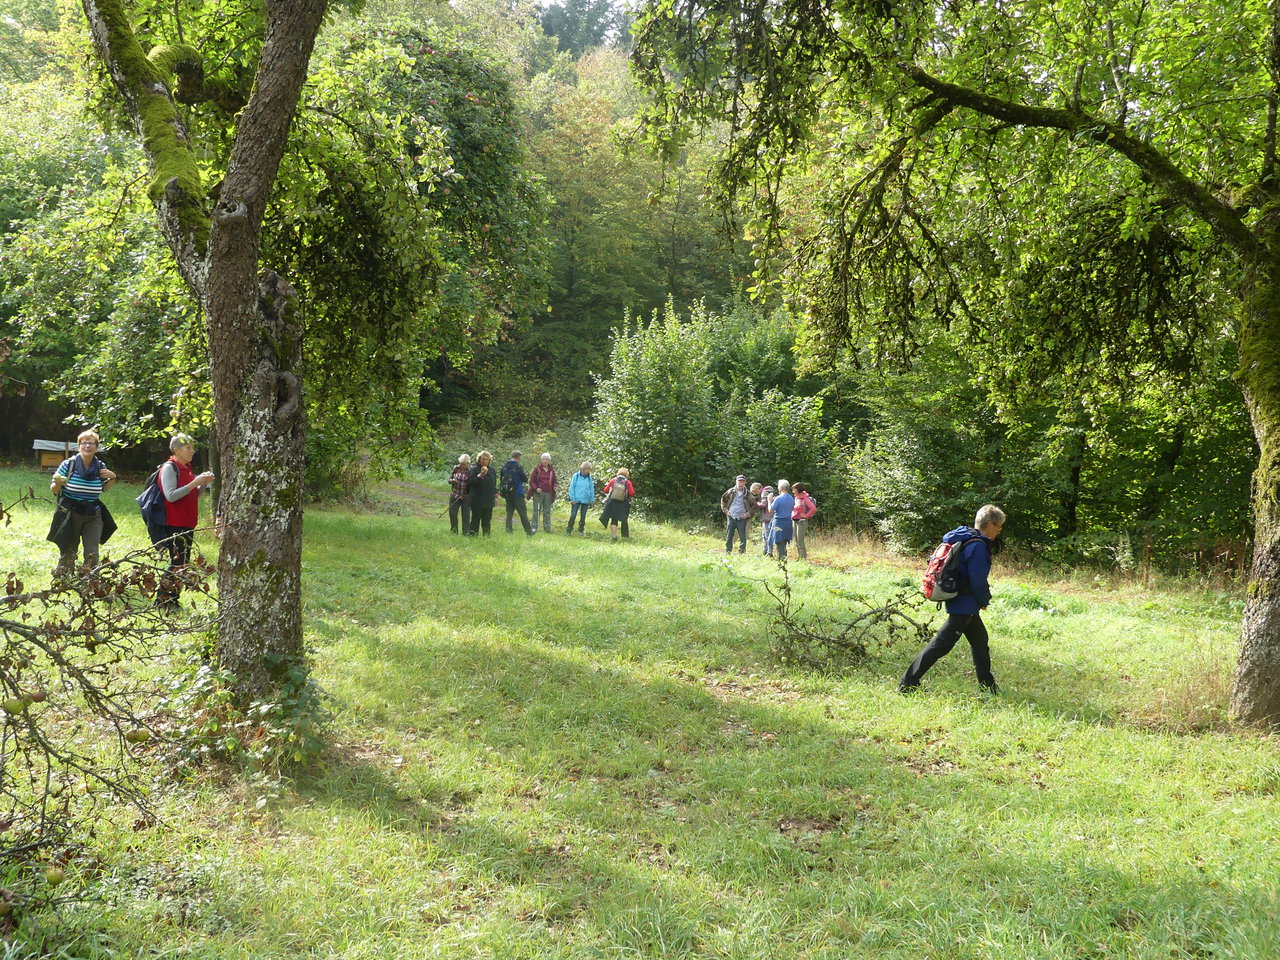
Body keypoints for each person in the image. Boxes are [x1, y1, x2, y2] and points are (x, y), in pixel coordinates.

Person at [899, 504, 1006, 695]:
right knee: (940, 646)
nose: (999, 530)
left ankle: (988, 687)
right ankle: (908, 683)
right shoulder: (978, 546)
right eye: (998, 526)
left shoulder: (965, 538)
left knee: (980, 641)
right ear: (990, 524)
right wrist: (984, 600)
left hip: (961, 601)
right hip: (964, 605)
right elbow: (977, 580)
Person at [154, 434, 216, 609]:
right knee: (177, 562)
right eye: (188, 447)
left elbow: (192, 494)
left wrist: (203, 483)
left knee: (182, 562)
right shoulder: (169, 467)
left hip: (187, 523)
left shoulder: (186, 468)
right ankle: (162, 600)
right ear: (176, 450)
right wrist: (194, 482)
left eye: (192, 447)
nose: (193, 451)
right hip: (174, 523)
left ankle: (172, 599)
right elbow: (171, 496)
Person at [48, 429, 118, 573]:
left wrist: (113, 478)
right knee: (69, 548)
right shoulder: (69, 465)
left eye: (91, 443)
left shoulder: (100, 466)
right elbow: (54, 490)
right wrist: (58, 483)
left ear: (96, 447)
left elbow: (104, 489)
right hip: (71, 513)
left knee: (92, 551)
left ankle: (89, 582)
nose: (87, 446)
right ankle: (62, 580)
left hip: (93, 513)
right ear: (79, 446)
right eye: (84, 443)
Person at [501, 451, 533, 535]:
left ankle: (508, 531)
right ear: (518, 457)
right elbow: (524, 478)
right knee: (522, 513)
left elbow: (501, 478)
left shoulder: (504, 466)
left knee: (509, 513)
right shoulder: (518, 466)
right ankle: (529, 532)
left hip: (507, 493)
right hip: (517, 493)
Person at [720, 474, 755, 554]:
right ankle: (728, 551)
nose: (741, 483)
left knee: (743, 537)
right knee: (729, 536)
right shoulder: (731, 491)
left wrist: (747, 514)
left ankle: (742, 552)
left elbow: (754, 505)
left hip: (742, 518)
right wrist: (726, 511)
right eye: (739, 481)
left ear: (745, 483)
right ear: (736, 482)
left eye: (742, 482)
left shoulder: (748, 494)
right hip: (731, 516)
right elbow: (723, 500)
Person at [599, 468, 634, 542]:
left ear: (618, 473)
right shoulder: (628, 482)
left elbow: (605, 490)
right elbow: (631, 493)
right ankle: (625, 536)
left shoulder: (613, 480)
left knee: (614, 520)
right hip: (623, 503)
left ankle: (614, 536)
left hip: (612, 502)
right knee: (624, 519)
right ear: (626, 475)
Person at [467, 451, 498, 536]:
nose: (484, 461)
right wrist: (481, 475)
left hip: (488, 500)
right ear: (479, 460)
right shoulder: (474, 469)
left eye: (486, 459)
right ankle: (473, 537)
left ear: (489, 461)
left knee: (487, 521)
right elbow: (471, 483)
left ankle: (486, 538)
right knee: (475, 520)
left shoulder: (492, 470)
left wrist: (495, 496)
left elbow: (493, 484)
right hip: (477, 500)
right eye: (483, 459)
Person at [527, 453, 557, 534]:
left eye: (547, 459)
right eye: (543, 459)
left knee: (547, 511)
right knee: (537, 510)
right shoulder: (536, 469)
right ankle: (534, 527)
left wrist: (555, 486)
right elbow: (531, 481)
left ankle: (547, 528)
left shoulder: (551, 470)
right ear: (541, 460)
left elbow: (555, 481)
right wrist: (536, 488)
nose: (545, 461)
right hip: (538, 493)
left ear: (549, 460)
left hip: (548, 493)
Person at [566, 461, 595, 534]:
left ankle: (581, 530)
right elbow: (572, 487)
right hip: (576, 500)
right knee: (573, 515)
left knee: (583, 516)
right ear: (583, 468)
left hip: (586, 500)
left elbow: (591, 489)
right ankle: (569, 529)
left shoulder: (589, 478)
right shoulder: (576, 476)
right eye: (586, 469)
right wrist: (572, 499)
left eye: (589, 469)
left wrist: (592, 500)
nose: (587, 471)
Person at [770, 480, 795, 562]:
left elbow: (770, 509)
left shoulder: (778, 498)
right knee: (784, 543)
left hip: (779, 522)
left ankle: (782, 561)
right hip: (788, 522)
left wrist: (769, 500)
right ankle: (783, 558)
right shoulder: (791, 498)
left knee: (779, 542)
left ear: (780, 488)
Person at [791, 483, 817, 560]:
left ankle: (803, 558)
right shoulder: (796, 498)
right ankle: (800, 557)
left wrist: (806, 516)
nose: (793, 491)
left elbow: (813, 509)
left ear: (798, 489)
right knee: (796, 540)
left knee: (800, 541)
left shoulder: (805, 499)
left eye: (794, 489)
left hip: (801, 522)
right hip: (795, 520)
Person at [448, 454, 471, 534]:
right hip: (455, 494)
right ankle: (454, 531)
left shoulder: (471, 471)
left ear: (468, 464)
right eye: (460, 463)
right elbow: (449, 479)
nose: (461, 465)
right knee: (452, 513)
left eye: (463, 464)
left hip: (466, 497)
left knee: (466, 516)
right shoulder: (456, 468)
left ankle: (466, 533)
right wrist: (451, 481)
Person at [758, 485, 776, 556]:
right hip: (771, 517)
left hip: (767, 518)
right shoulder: (771, 492)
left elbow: (763, 504)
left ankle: (768, 552)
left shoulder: (764, 493)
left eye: (755, 491)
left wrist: (757, 504)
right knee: (766, 535)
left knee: (766, 536)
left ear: (759, 489)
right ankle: (766, 551)